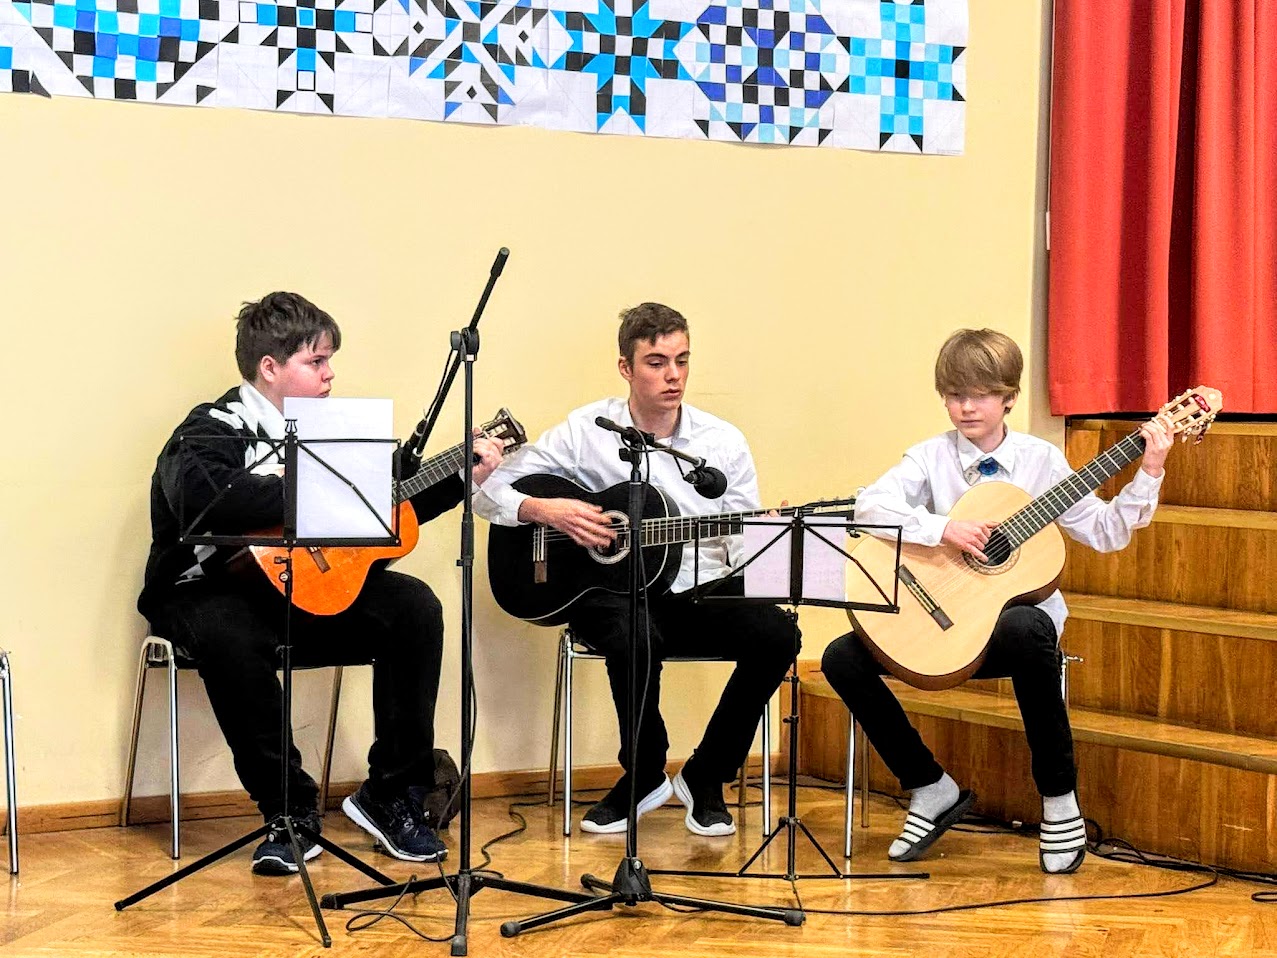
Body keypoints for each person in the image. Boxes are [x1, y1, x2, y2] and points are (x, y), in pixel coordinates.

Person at [138, 291, 505, 875]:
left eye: (329, 360)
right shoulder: (213, 428)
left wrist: (462, 477)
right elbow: (200, 496)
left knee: (412, 606)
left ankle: (390, 793)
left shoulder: (333, 435)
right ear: (269, 367)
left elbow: (380, 514)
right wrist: (310, 489)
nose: (330, 373)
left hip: (297, 590)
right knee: (229, 632)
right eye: (316, 361)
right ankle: (288, 812)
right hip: (208, 590)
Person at [821, 328, 1173, 874]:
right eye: (954, 395)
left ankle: (1059, 799)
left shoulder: (1041, 461)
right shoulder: (930, 456)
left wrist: (1148, 470)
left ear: (1009, 397)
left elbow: (1105, 532)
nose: (965, 407)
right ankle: (930, 786)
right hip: (944, 627)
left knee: (1027, 626)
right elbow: (870, 507)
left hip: (1011, 640)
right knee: (841, 657)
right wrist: (943, 528)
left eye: (980, 395)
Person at [474, 303, 798, 837]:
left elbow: (739, 547)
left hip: (697, 590)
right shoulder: (586, 430)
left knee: (779, 634)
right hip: (611, 596)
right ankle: (644, 773)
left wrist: (767, 536)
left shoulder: (721, 442)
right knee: (632, 632)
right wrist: (545, 510)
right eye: (656, 362)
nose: (673, 376)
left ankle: (706, 774)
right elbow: (486, 490)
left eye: (682, 360)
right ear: (626, 367)